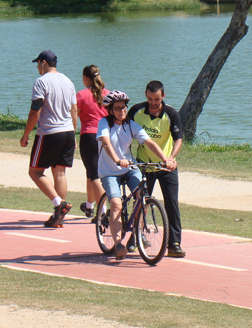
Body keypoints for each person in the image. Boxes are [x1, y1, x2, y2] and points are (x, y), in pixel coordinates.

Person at [96, 90, 175, 260]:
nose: (122, 111)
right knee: (116, 204)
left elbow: (148, 142)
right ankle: (118, 244)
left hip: (129, 168)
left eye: (124, 107)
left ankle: (139, 232)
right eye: (117, 108)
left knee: (143, 197)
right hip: (109, 171)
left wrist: (165, 159)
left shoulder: (131, 125)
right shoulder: (104, 123)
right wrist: (117, 160)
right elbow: (106, 143)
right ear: (110, 110)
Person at [127, 81, 186, 258]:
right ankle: (134, 237)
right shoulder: (136, 112)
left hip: (165, 166)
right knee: (141, 203)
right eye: (150, 98)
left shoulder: (171, 113)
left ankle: (174, 244)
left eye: (157, 99)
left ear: (163, 97)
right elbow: (125, 134)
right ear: (145, 94)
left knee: (172, 204)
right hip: (145, 165)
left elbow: (178, 139)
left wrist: (171, 158)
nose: (153, 102)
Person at [20, 50, 77, 228]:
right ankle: (58, 216)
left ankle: (58, 204)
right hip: (68, 132)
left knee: (35, 172)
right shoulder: (68, 81)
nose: (37, 67)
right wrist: (74, 134)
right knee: (59, 173)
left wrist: (26, 133)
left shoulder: (41, 82)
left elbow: (35, 111)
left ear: (44, 62)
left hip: (49, 133)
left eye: (38, 63)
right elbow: (74, 110)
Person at [76, 65, 108, 221]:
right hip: (106, 138)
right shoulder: (108, 95)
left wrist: (71, 137)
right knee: (91, 171)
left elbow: (72, 118)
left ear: (85, 78)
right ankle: (89, 205)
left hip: (88, 137)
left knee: (95, 175)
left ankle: (103, 211)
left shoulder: (81, 96)